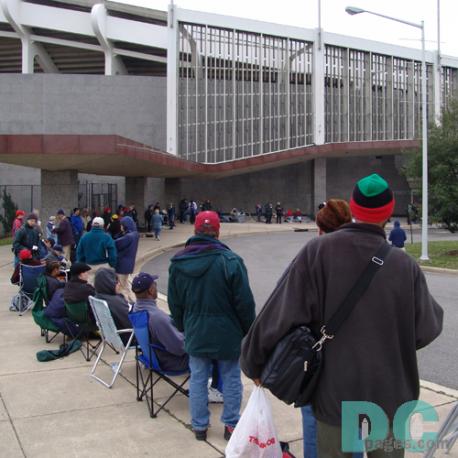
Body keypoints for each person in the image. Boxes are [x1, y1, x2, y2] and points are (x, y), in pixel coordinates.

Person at [240, 174, 443, 458]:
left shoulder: (318, 252)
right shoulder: (404, 266)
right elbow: (427, 327)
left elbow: (279, 311)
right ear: (389, 211)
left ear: (353, 207)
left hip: (335, 394)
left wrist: (253, 361)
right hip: (389, 395)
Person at [168, 211, 256, 442]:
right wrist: (248, 330)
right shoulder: (231, 261)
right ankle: (231, 424)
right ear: (217, 232)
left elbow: (174, 303)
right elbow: (245, 303)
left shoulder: (178, 262)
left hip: (196, 329)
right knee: (231, 377)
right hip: (227, 332)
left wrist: (183, 326)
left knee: (198, 378)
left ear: (195, 231)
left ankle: (199, 426)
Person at [302, 199, 353, 458]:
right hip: (359, 365)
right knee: (354, 428)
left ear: (320, 229)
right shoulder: (372, 258)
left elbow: (286, 310)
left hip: (319, 364)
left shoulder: (310, 258)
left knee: (314, 426)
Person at [132, 272, 189, 372]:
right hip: (172, 362)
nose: (156, 287)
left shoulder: (136, 310)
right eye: (155, 284)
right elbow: (180, 348)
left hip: (152, 358)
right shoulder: (156, 317)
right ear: (151, 290)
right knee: (211, 348)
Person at [94, 268, 131, 344]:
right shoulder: (115, 302)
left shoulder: (98, 298)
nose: (119, 284)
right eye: (117, 282)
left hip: (112, 337)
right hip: (129, 337)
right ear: (109, 284)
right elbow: (129, 322)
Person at [114, 216, 139, 304]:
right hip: (129, 264)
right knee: (126, 284)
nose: (120, 227)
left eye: (122, 225)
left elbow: (116, 243)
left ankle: (126, 303)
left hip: (122, 265)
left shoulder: (128, 237)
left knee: (121, 286)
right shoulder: (135, 234)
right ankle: (133, 300)